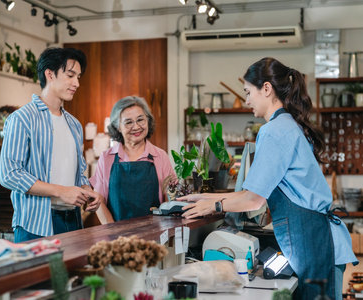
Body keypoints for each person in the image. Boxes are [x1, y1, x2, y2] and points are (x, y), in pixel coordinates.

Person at [180, 57, 357, 299]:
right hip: (317, 240)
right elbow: (253, 191)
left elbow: (254, 200)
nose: (246, 100)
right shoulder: (287, 124)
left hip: (315, 244)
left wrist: (215, 205)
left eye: (248, 92)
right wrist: (204, 196)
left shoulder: (274, 131)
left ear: (266, 88)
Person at [0, 47, 102, 243]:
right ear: (50, 74)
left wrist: (87, 191)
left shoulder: (74, 124)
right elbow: (9, 174)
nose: (77, 83)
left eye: (79, 77)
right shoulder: (22, 119)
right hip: (35, 223)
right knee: (40, 275)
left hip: (72, 220)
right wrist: (61, 191)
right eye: (70, 75)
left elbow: (79, 172)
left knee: (72, 275)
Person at [90, 96, 176, 223]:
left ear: (148, 121)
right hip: (117, 238)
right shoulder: (106, 158)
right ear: (117, 126)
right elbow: (99, 202)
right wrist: (112, 233)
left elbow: (170, 199)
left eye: (140, 120)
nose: (136, 127)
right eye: (128, 122)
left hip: (155, 236)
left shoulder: (160, 156)